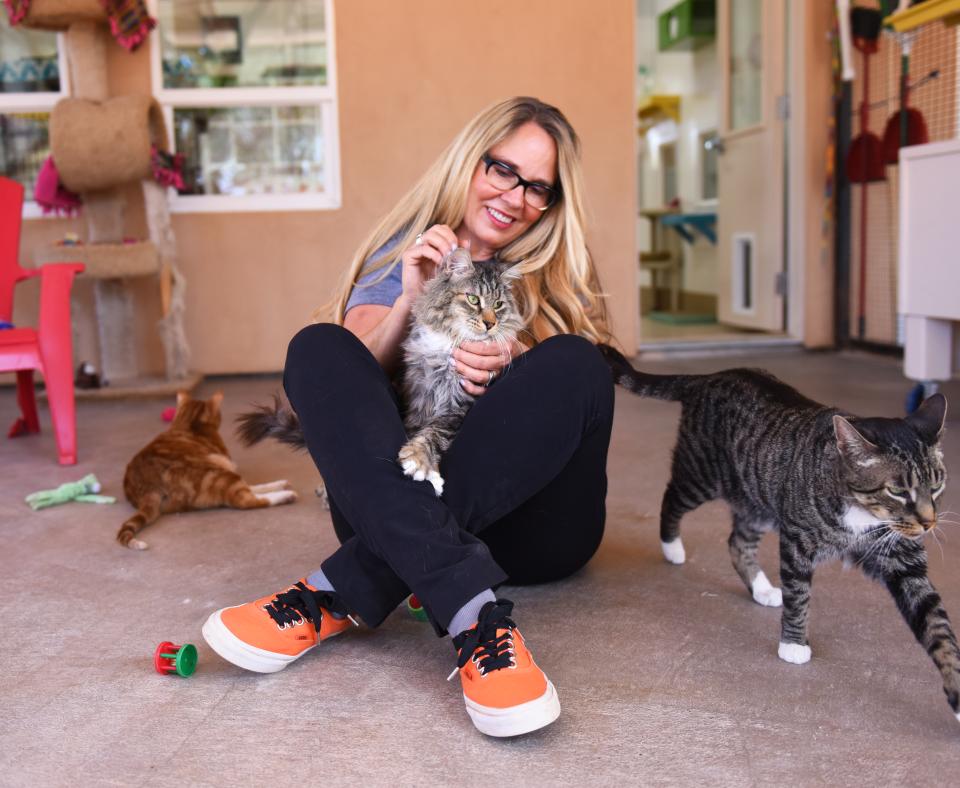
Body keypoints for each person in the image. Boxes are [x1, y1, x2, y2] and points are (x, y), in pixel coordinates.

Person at [202, 96, 615, 738]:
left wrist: (514, 358)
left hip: (533, 531)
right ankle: (478, 616)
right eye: (503, 170)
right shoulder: (410, 249)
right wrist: (412, 303)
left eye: (539, 187)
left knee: (577, 362)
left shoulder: (554, 272)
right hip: (404, 504)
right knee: (317, 345)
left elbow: (569, 395)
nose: (515, 196)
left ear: (553, 204)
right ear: (470, 161)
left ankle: (334, 594)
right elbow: (349, 372)